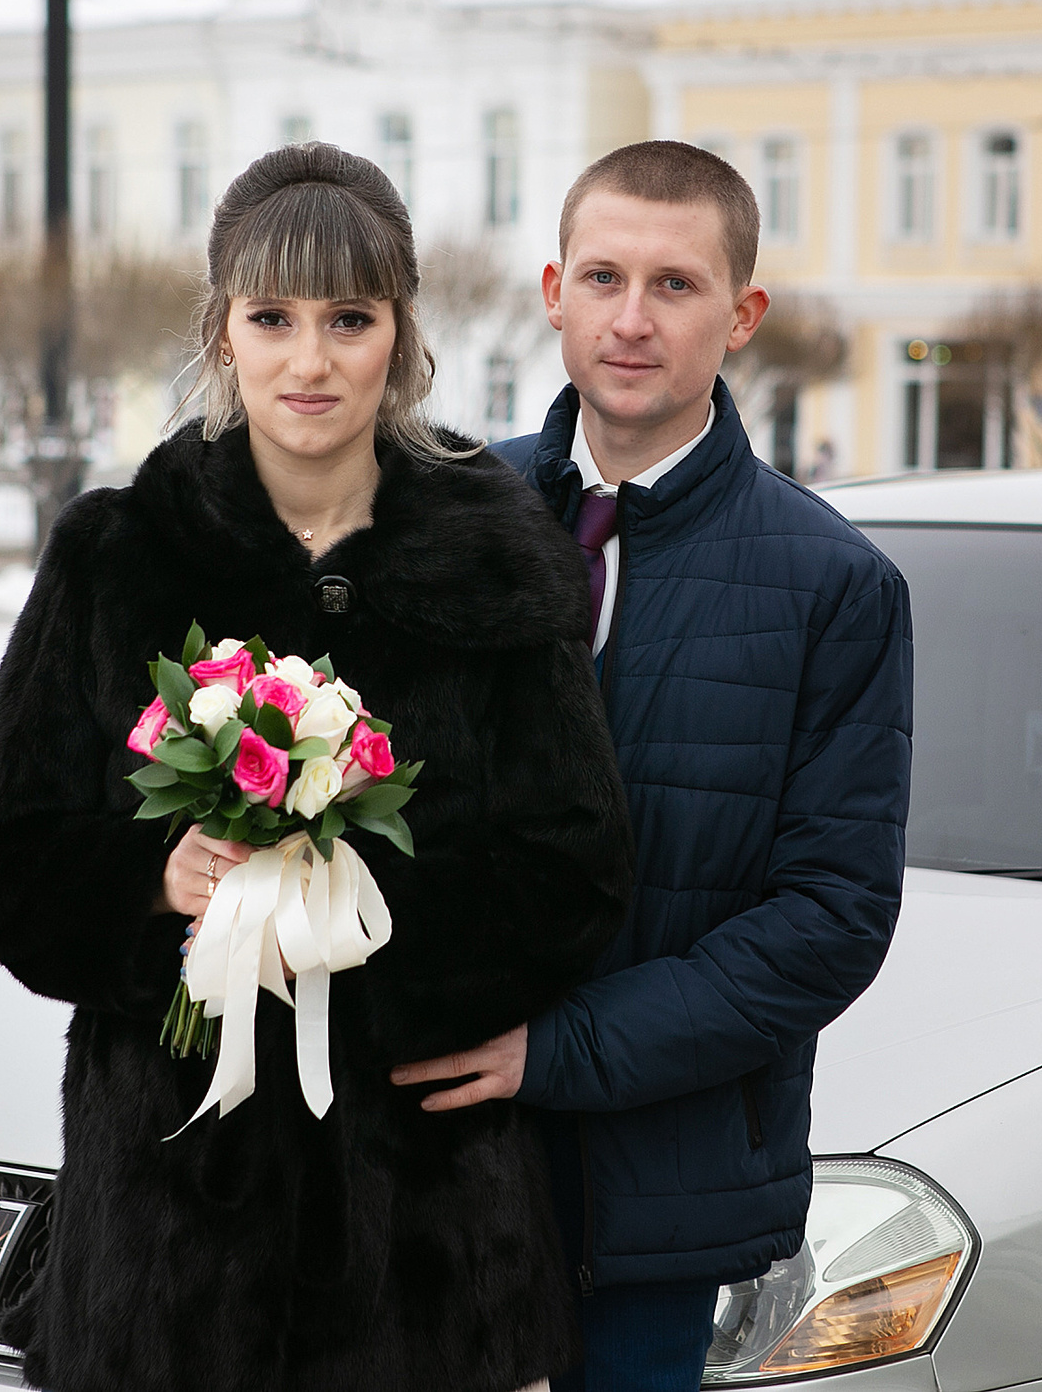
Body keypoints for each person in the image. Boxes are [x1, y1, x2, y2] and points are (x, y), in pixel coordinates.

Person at [0, 142, 634, 1392]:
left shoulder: (496, 557)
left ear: (402, 338)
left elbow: (575, 869)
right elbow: (2, 858)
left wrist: (349, 918)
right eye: (272, 317)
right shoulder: (118, 557)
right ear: (221, 333)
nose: (309, 361)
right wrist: (159, 883)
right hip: (167, 1260)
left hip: (426, 1259)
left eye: (349, 318)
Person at [392, 141, 915, 1392]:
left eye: (675, 286)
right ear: (550, 290)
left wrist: (555, 1046)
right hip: (420, 1165)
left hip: (651, 1194)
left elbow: (829, 918)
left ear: (741, 315)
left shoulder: (832, 584)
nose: (631, 320)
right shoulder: (435, 514)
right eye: (604, 276)